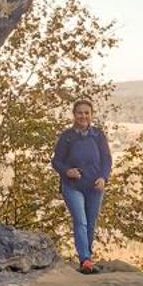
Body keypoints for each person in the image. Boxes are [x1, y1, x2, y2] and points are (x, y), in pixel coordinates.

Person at [51, 96, 112, 273]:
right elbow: (56, 161)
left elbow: (107, 160)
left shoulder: (98, 136)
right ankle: (84, 259)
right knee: (81, 221)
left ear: (91, 115)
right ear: (74, 115)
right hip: (73, 186)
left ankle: (88, 259)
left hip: (94, 186)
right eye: (79, 113)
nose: (83, 116)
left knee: (91, 223)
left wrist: (103, 177)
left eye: (86, 113)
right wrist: (67, 171)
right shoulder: (67, 137)